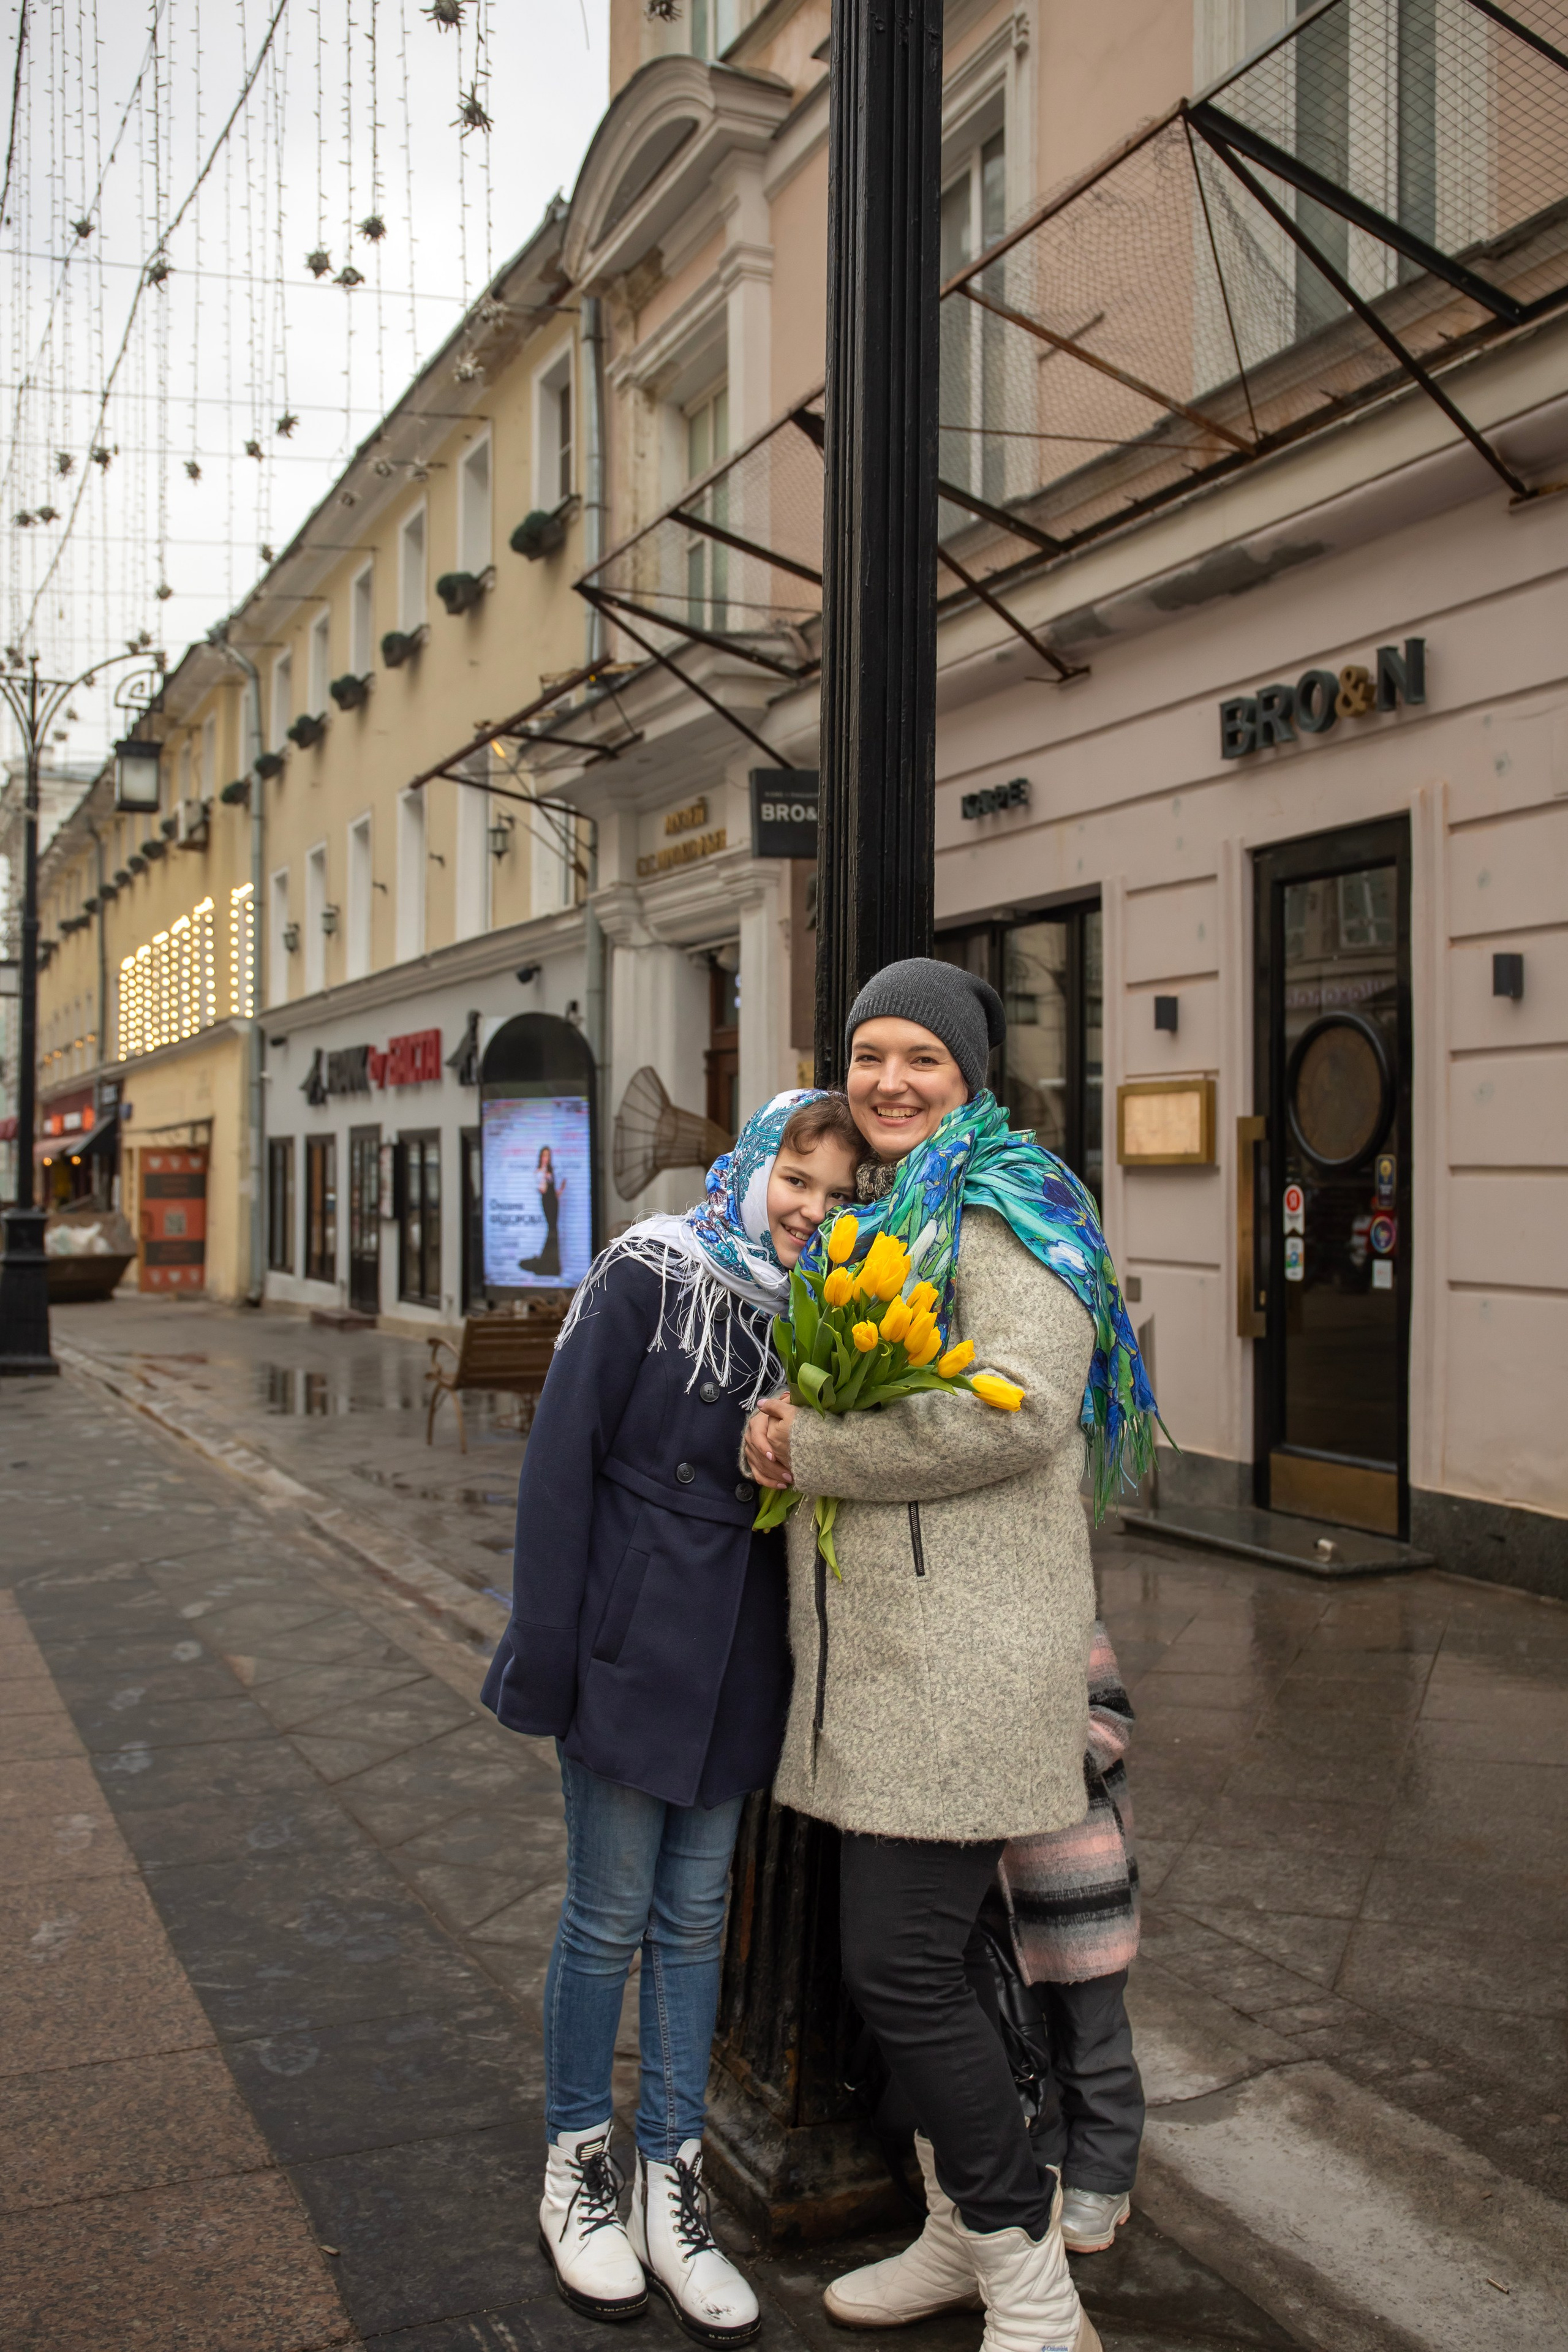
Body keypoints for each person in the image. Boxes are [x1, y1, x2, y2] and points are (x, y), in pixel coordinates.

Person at [744, 959, 1157, 2352]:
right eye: (869, 1054)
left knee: (903, 1970)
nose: (890, 1080)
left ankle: (1032, 2292)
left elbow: (1023, 1408)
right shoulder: (886, 1207)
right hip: (888, 1657)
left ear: (969, 1072)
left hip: (964, 1656)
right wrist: (779, 1421)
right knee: (941, 1972)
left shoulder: (1005, 1205)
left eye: (921, 1055)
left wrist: (818, 1447)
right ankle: (957, 2233)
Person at [483, 1089, 861, 2346]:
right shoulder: (646, 1271)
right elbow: (557, 1468)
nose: (810, 1211)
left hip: (743, 1655)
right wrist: (548, 1655)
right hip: (630, 1641)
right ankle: (574, 2173)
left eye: (837, 1195)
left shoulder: (827, 1315)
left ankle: (670, 2186)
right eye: (796, 1179)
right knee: (606, 1918)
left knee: (696, 1925)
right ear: (751, 1167)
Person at [1001, 1618, 1144, 2256]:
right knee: (1022, 2033)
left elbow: (1109, 1718)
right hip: (1004, 1880)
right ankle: (1051, 2158)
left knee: (1094, 2034)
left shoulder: (1070, 1611)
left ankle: (1105, 2176)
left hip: (1078, 1872)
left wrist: (1032, 1765)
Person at [519, 1142, 565, 1277]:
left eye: (549, 1155)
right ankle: (547, 1261)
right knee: (551, 1228)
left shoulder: (552, 1171)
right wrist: (544, 1173)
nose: (547, 1158)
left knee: (554, 1228)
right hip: (547, 1202)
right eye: (545, 1155)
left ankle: (553, 1262)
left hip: (554, 1202)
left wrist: (560, 1190)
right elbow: (543, 1190)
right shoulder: (539, 1172)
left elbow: (556, 1189)